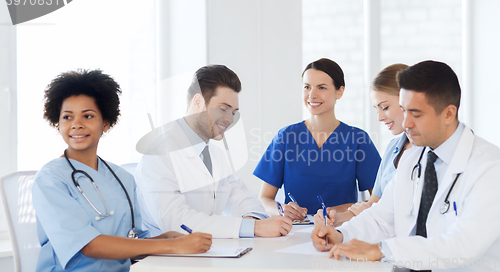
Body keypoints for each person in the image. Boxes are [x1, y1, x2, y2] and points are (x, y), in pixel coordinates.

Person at [311, 60, 500, 272]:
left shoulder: (490, 167)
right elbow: (381, 218)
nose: (407, 123)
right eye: (403, 110)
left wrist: (384, 251)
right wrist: (342, 234)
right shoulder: (412, 160)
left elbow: (463, 245)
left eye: (416, 114)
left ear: (448, 113)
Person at [32, 69, 212, 272]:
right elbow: (88, 245)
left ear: (105, 123)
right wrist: (172, 245)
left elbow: (132, 242)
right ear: (57, 123)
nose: (76, 125)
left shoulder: (122, 178)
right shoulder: (50, 179)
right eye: (67, 117)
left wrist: (165, 237)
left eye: (88, 116)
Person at [134, 65, 292, 239]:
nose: (230, 119)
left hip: (206, 255)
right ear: (198, 102)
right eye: (223, 109)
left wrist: (252, 219)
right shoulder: (159, 154)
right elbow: (177, 222)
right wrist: (252, 227)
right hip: (166, 260)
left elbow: (240, 196)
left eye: (233, 112)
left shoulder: (213, 154)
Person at [254, 58, 381, 221]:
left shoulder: (358, 140)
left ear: (339, 92)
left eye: (321, 88)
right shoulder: (286, 137)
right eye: (307, 87)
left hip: (341, 230)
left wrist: (343, 210)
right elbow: (264, 199)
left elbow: (377, 201)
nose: (312, 95)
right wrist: (281, 209)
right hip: (293, 232)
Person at [314, 63, 413, 226]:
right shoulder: (393, 149)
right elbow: (374, 204)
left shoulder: (427, 152)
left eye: (385, 107)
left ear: (408, 100)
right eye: (376, 109)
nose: (380, 117)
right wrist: (336, 219)